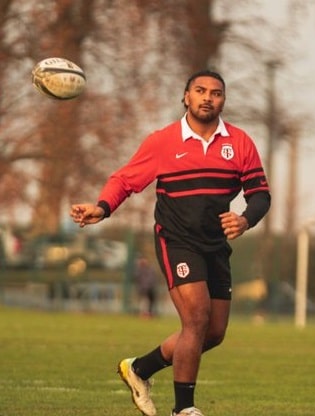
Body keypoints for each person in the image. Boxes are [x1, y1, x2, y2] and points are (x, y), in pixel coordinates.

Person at [70, 69, 271, 416]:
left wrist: (244, 219)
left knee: (214, 333)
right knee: (197, 318)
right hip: (176, 239)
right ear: (186, 97)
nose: (208, 97)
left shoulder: (239, 143)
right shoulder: (163, 141)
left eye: (216, 92)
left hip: (215, 245)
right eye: (200, 90)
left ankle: (139, 369)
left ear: (224, 100)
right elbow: (126, 179)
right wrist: (101, 208)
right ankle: (184, 409)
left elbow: (260, 195)